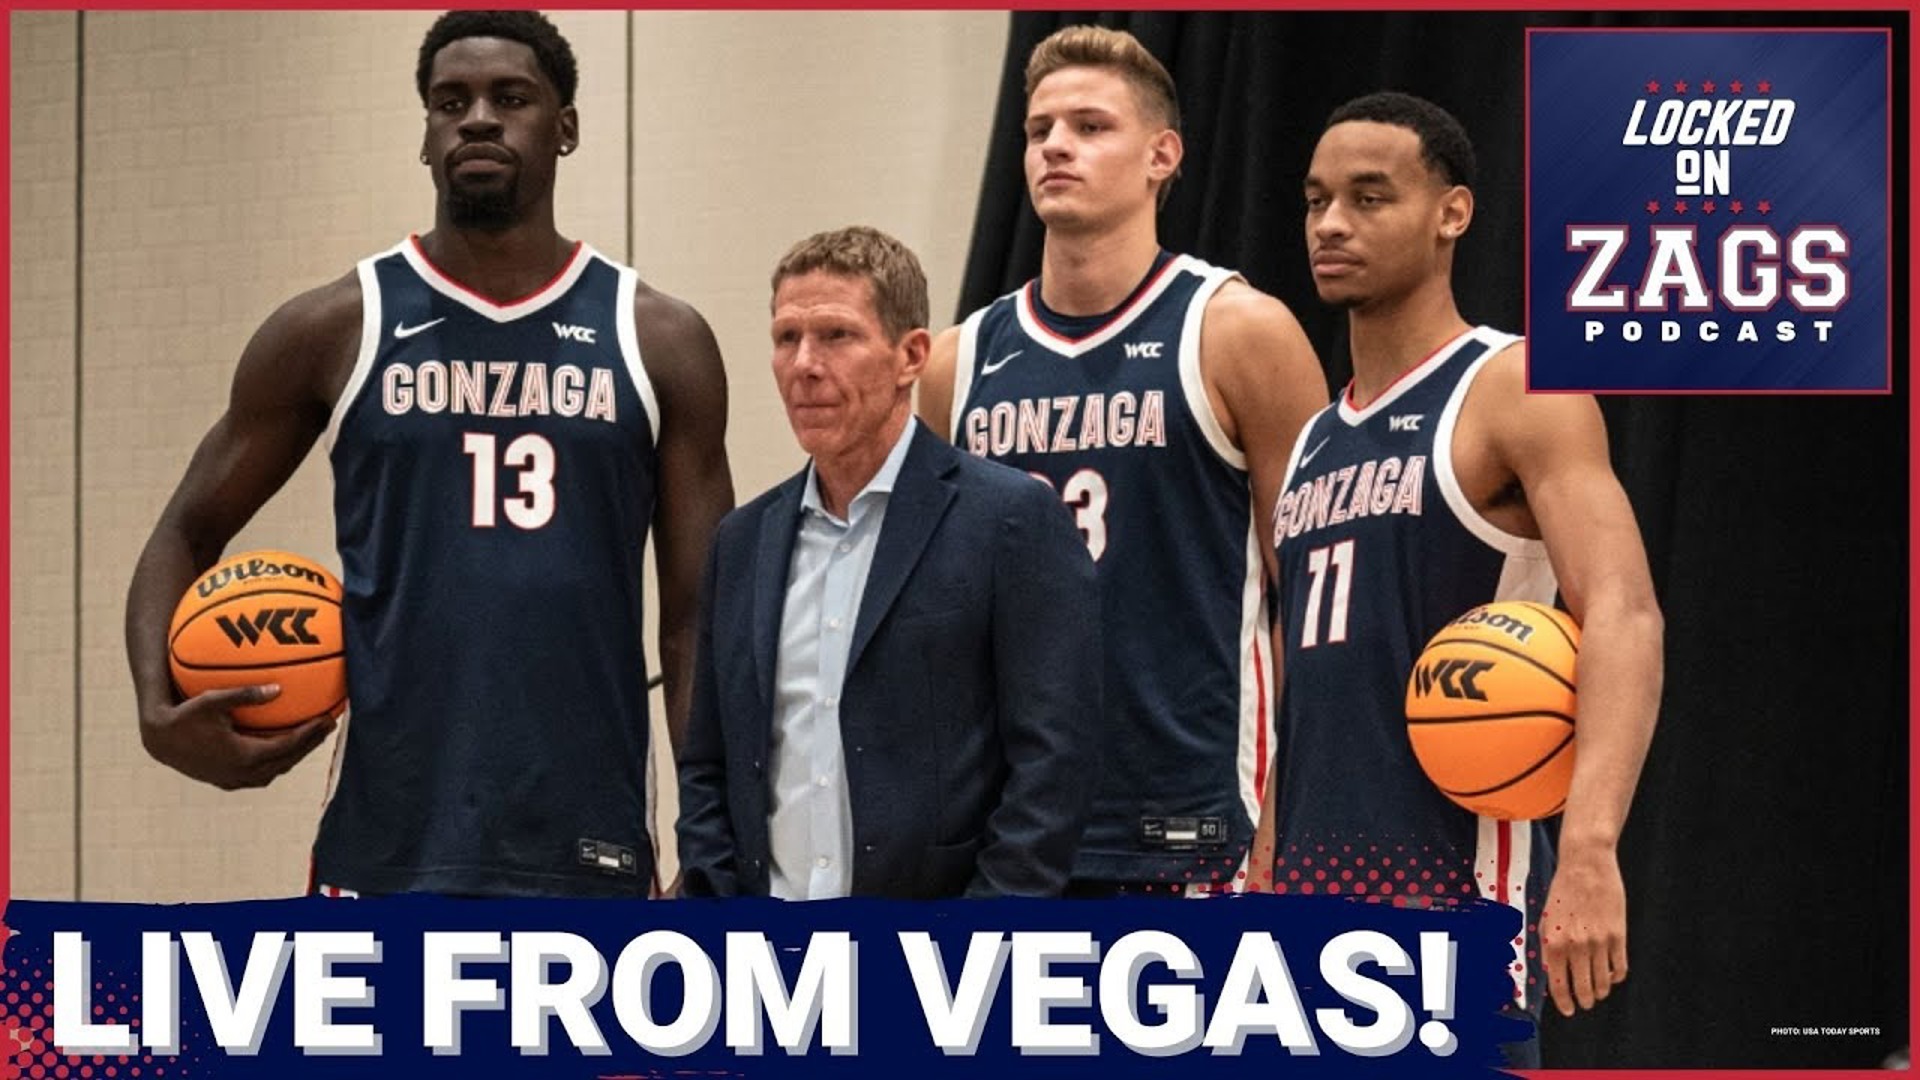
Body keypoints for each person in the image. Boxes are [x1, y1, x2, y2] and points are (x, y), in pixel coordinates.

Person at [123, 10, 734, 898]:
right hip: (385, 846)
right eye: (450, 101)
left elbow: (695, 623)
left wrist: (711, 841)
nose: (478, 118)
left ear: (564, 128)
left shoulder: (659, 340)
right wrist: (156, 708)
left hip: (588, 846)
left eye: (510, 97)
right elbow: (187, 527)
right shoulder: (334, 327)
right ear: (425, 137)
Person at [1262, 91, 1663, 1053]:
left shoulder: (1515, 388)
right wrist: (1265, 868)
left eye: (1369, 197)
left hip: (1454, 903)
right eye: (1317, 200)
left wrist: (1594, 849)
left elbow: (1624, 611)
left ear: (1453, 212)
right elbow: (1301, 674)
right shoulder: (1317, 435)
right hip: (1306, 907)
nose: (1331, 224)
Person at [917, 25, 1327, 896]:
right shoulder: (958, 362)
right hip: (1010, 830)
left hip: (1192, 816)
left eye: (1091, 126)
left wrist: (1299, 815)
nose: (1056, 145)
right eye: (1039, 130)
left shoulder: (1237, 331)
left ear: (1161, 155)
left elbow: (1317, 600)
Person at [676, 226, 1100, 899]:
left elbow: (1051, 767)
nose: (805, 365)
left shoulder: (1009, 519)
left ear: (911, 355)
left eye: (836, 336)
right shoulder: (743, 542)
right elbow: (707, 764)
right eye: (787, 338)